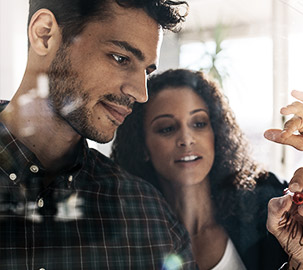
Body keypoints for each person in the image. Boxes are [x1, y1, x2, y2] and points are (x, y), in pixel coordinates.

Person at [111, 69, 303, 269]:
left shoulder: (260, 199)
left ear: (217, 133)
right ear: (143, 145)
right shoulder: (125, 230)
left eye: (199, 123)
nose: (186, 138)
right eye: (166, 128)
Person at [0, 0, 199, 269]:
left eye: (146, 72)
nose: (141, 94)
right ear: (45, 35)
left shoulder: (149, 216)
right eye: (121, 58)